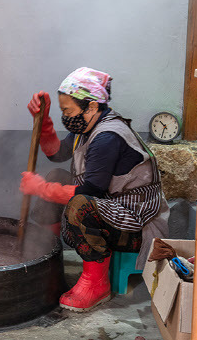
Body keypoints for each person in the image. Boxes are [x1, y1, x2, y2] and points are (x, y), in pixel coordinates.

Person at [19, 67, 169, 312]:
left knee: (80, 205)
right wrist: (44, 120)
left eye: (68, 110)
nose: (65, 116)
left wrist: (42, 189)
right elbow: (57, 154)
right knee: (57, 176)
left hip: (136, 224)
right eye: (62, 110)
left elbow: (91, 191)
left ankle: (97, 284)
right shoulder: (88, 127)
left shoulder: (107, 136)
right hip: (111, 207)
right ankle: (48, 254)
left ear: (90, 106)